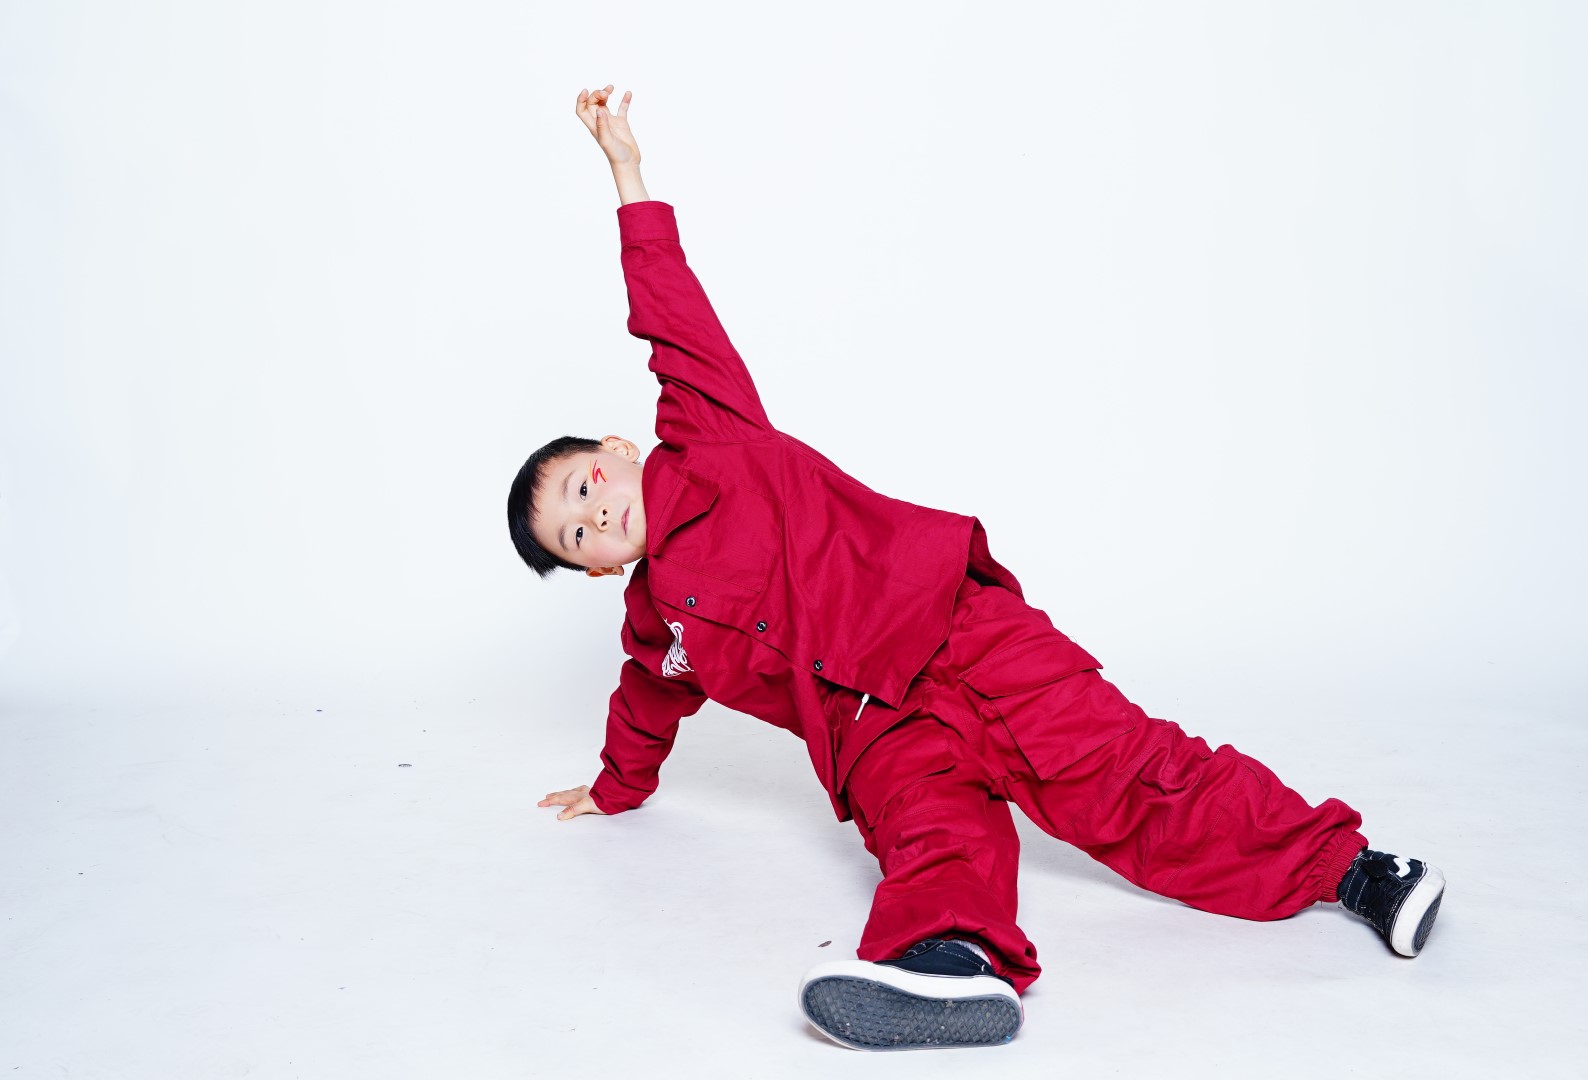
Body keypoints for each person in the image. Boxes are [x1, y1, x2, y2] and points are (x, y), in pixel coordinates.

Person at [511, 85, 1446, 1052]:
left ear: (618, 449)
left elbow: (670, 315)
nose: (595, 516)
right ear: (597, 572)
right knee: (928, 833)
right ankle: (952, 965)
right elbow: (645, 703)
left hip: (955, 631)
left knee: (1126, 772)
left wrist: (627, 175)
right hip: (867, 725)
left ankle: (1356, 872)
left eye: (585, 487)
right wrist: (614, 788)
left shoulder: (711, 434)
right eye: (577, 537)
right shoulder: (658, 624)